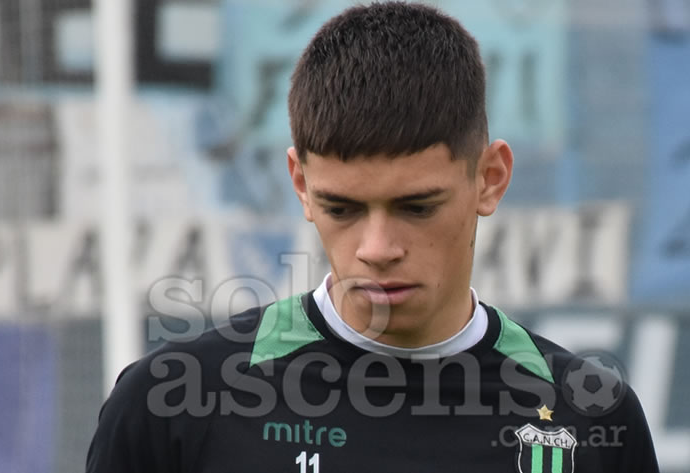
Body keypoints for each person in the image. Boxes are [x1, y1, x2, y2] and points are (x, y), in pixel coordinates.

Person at [87, 2, 660, 472]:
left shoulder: (591, 418)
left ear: (490, 179)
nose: (377, 248)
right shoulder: (171, 406)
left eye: (417, 207)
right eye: (342, 208)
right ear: (301, 185)